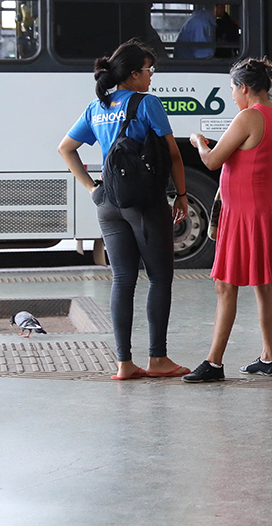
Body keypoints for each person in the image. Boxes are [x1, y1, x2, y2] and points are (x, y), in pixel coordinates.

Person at [57, 39, 189, 380]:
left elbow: (65, 148)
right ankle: (158, 359)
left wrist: (91, 189)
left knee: (122, 279)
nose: (151, 77)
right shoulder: (147, 104)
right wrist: (182, 194)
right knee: (159, 277)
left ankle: (124, 363)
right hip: (143, 203)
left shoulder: (96, 107)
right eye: (149, 70)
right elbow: (173, 154)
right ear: (133, 74)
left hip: (108, 203)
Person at [182, 58, 272, 383]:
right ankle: (268, 357)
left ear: (244, 87)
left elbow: (214, 160)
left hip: (247, 211)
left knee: (225, 285)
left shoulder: (249, 117)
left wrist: (199, 142)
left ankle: (214, 363)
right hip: (269, 206)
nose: (231, 95)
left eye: (233, 88)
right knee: (263, 283)